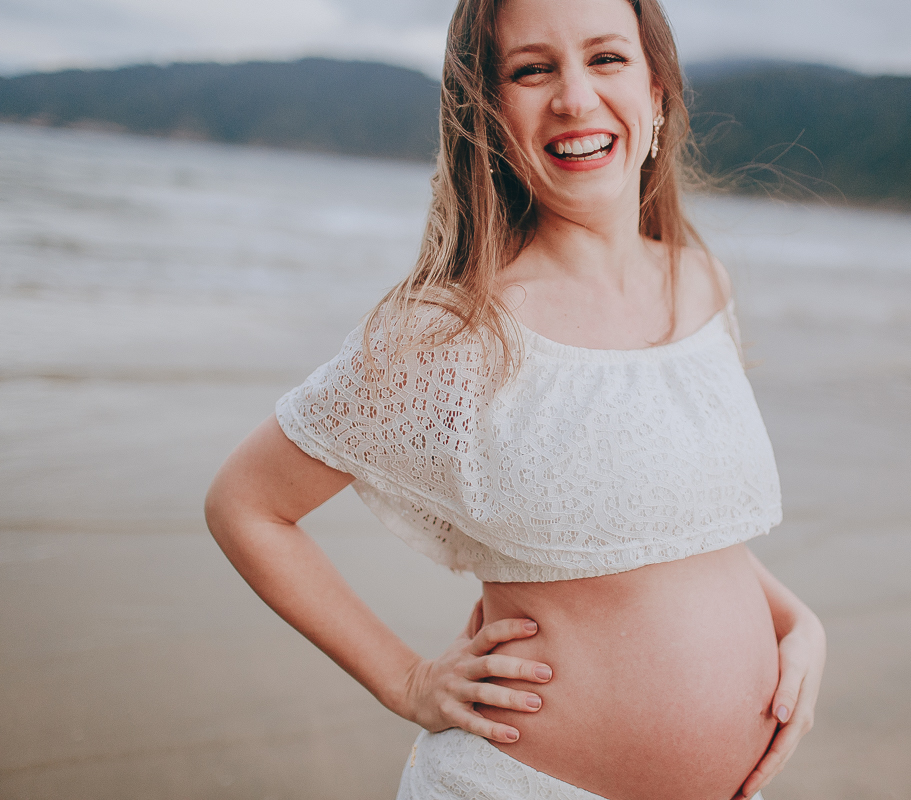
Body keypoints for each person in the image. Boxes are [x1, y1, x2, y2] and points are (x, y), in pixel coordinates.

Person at [204, 0, 826, 797]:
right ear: (487, 114)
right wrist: (405, 680)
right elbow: (247, 505)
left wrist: (797, 623)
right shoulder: (454, 328)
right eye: (532, 70)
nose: (573, 97)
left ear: (658, 93)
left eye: (606, 59)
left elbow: (679, 528)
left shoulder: (701, 281)